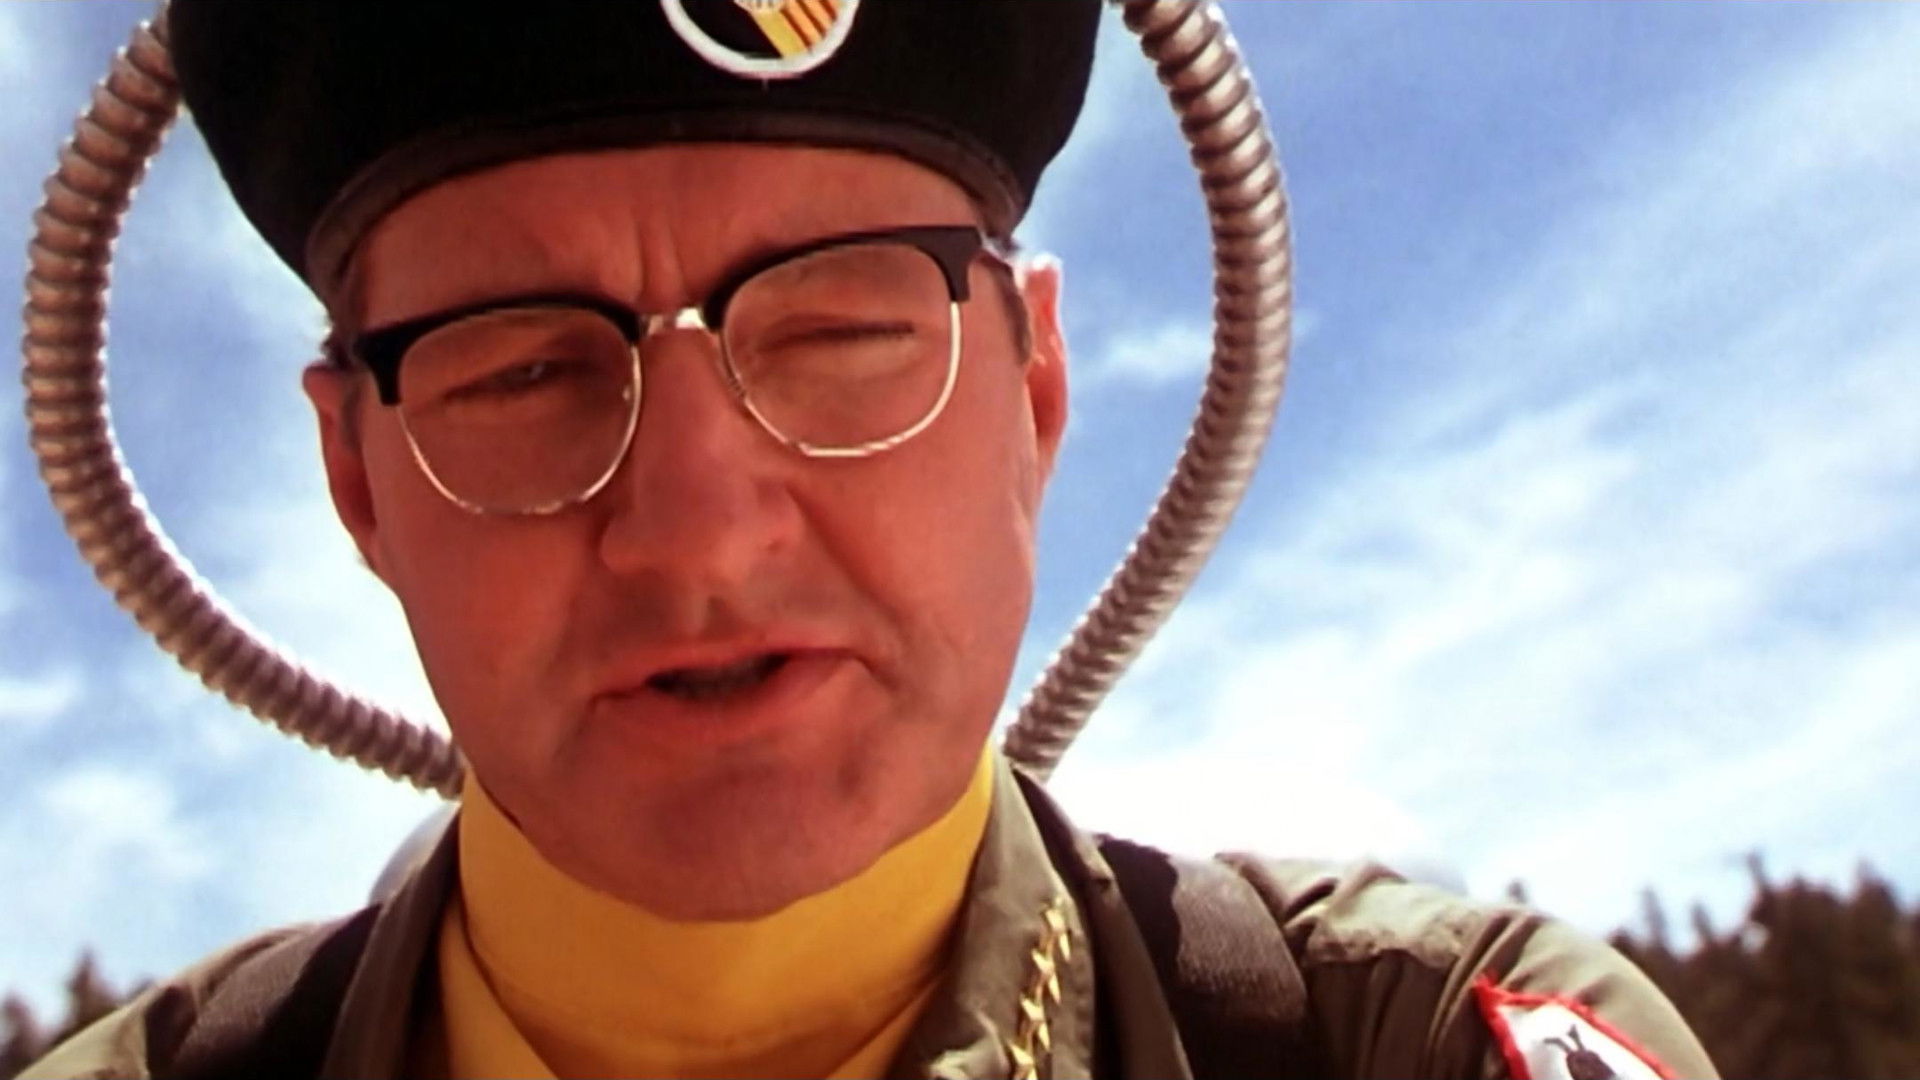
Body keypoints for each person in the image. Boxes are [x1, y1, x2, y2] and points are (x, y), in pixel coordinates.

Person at [24, 3, 1716, 1078]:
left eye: (840, 332)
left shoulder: (1422, 1051)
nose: (698, 531)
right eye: (522, 371)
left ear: (1035, 392)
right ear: (357, 479)